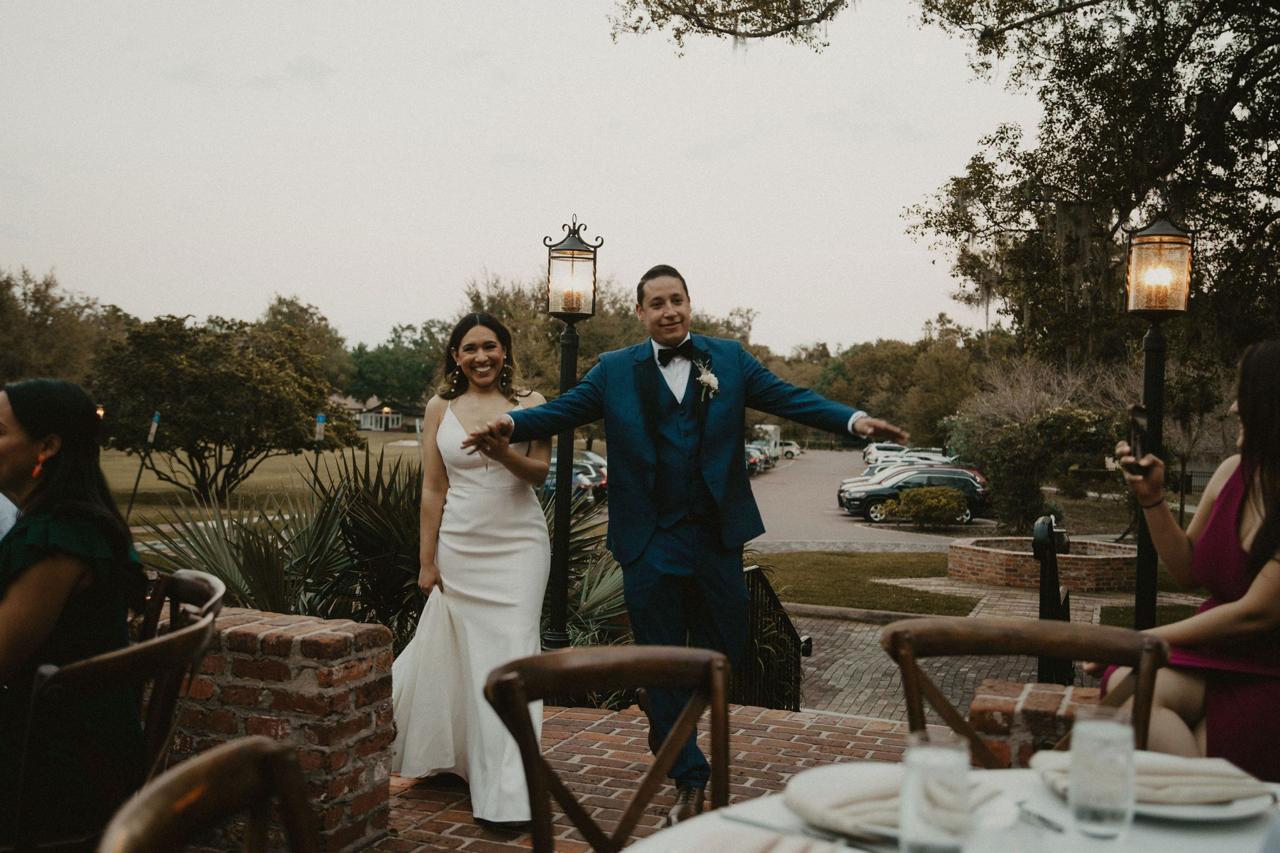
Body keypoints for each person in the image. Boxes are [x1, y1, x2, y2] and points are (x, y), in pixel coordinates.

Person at [464, 265, 907, 823]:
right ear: (640, 312)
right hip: (648, 540)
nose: (669, 311)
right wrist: (510, 424)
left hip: (715, 535)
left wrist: (854, 420)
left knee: (724, 652)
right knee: (661, 655)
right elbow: (562, 411)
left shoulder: (729, 360)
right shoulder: (614, 370)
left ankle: (661, 705)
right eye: (657, 303)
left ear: (689, 304)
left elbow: (790, 398)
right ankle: (689, 778)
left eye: (676, 300)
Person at [389, 312, 552, 825]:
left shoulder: (533, 404)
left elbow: (539, 474)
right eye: (470, 349)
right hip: (460, 547)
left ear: (505, 351)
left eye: (490, 346)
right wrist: (427, 560)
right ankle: (464, 761)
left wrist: (503, 453)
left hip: (519, 547)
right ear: (456, 356)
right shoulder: (439, 407)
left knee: (513, 657)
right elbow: (433, 487)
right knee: (467, 657)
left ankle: (510, 790)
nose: (481, 357)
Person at [1106, 339, 1280, 782]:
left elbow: (1257, 613)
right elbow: (1187, 569)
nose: (1233, 408)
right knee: (1124, 684)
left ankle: (1207, 801)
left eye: (1243, 395)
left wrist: (1142, 640)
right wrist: (1151, 499)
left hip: (1267, 668)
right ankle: (1202, 797)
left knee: (1147, 702)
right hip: (1217, 654)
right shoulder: (1232, 472)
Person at [0, 378, 148, 843]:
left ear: (47, 446)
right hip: (65, 733)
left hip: (57, 764)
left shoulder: (61, 539)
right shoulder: (70, 521)